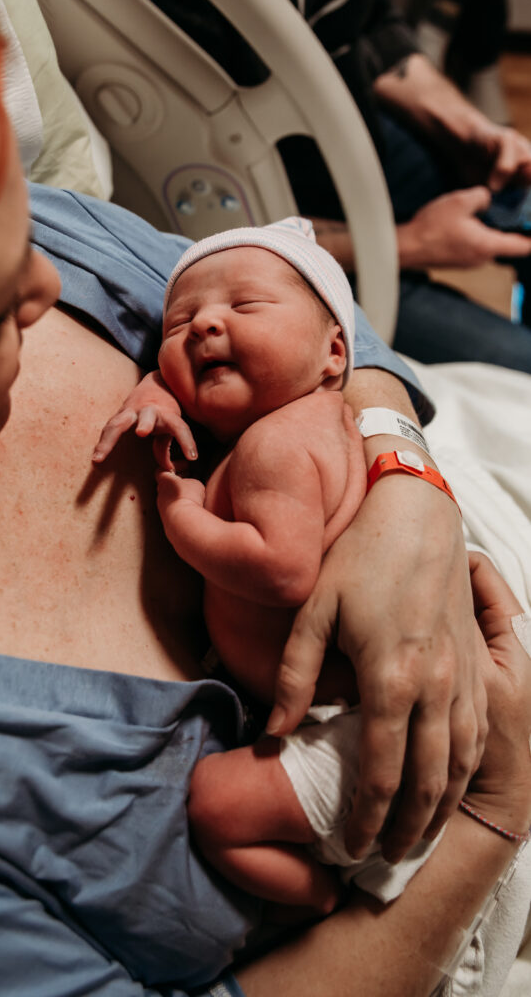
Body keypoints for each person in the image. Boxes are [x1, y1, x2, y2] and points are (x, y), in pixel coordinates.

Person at [0, 0, 528, 996]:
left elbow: (322, 321)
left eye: (27, 225)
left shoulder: (21, 228)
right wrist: (494, 809)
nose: (48, 285)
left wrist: (399, 476)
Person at [93, 215, 455, 918]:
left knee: (217, 807)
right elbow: (199, 392)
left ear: (334, 353)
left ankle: (318, 906)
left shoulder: (276, 449)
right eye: (179, 325)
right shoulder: (309, 420)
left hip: (355, 725)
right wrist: (156, 390)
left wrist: (183, 519)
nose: (203, 327)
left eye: (246, 307)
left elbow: (280, 569)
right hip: (337, 708)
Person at [122, 0, 531, 368]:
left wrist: (468, 127)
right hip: (272, 232)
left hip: (353, 144)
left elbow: (370, 27)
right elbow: (194, 229)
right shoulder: (165, 5)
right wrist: (412, 244)